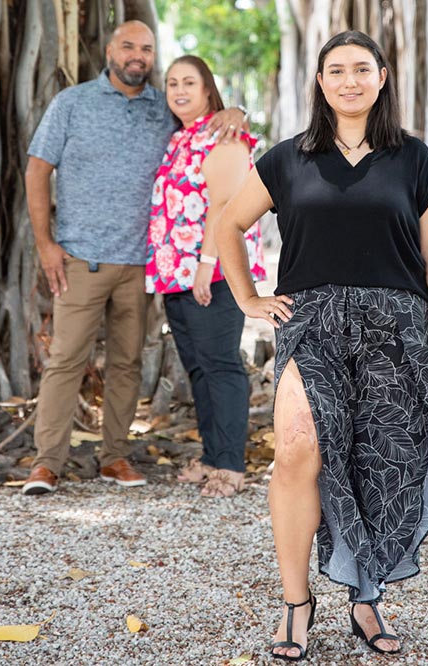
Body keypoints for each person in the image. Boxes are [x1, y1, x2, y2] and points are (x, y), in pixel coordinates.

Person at [216, 30, 428, 661]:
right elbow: (228, 224)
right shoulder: (286, 159)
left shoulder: (413, 158)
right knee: (299, 445)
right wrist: (248, 299)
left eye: (362, 69)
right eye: (336, 70)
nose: (349, 80)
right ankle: (296, 604)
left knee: (382, 460)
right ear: (320, 82)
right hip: (314, 322)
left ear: (382, 78)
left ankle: (364, 596)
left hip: (396, 327)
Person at [22, 21, 247, 496]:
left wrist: (237, 112)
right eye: (128, 46)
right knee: (66, 360)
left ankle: (115, 457)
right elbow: (37, 169)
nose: (137, 55)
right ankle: (47, 464)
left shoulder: (161, 109)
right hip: (82, 258)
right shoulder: (73, 103)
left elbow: (214, 133)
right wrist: (46, 244)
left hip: (144, 266)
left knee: (127, 364)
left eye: (147, 48)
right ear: (109, 50)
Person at [146, 56, 266, 498]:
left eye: (189, 82)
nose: (179, 90)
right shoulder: (179, 137)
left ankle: (232, 467)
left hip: (212, 271)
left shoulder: (224, 133)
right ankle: (213, 455)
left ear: (207, 88)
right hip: (174, 274)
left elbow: (224, 205)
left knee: (221, 365)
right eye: (172, 82)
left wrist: (205, 265)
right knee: (198, 367)